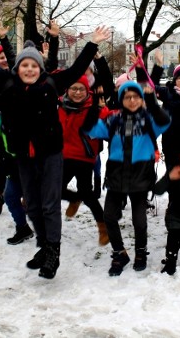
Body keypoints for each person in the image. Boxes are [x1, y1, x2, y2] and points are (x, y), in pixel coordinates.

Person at [0, 22, 112, 279]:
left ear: (40, 68)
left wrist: (92, 42)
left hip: (50, 153)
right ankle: (44, 244)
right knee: (33, 206)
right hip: (23, 155)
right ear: (18, 68)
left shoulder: (51, 83)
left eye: (34, 65)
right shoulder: (7, 82)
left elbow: (76, 69)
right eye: (25, 65)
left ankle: (52, 253)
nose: (29, 69)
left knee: (49, 204)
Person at [85, 81, 171, 276]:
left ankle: (141, 252)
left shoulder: (149, 120)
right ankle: (119, 252)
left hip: (140, 176)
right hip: (117, 175)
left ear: (141, 99)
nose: (131, 100)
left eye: (136, 97)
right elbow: (90, 128)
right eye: (127, 97)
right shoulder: (113, 120)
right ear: (121, 100)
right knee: (109, 216)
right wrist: (93, 105)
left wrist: (152, 100)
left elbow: (164, 121)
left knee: (139, 220)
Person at [59, 75, 111, 245]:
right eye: (74, 88)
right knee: (54, 188)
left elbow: (109, 118)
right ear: (67, 90)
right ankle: (74, 199)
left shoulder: (94, 109)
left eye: (81, 89)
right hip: (63, 156)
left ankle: (103, 228)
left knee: (87, 194)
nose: (77, 92)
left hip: (83, 158)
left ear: (87, 91)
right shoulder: (60, 106)